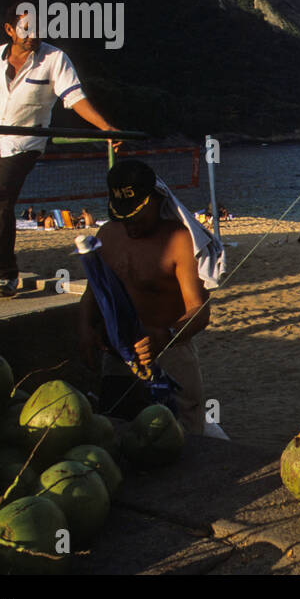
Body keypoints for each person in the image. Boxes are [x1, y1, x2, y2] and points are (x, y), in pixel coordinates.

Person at [0, 4, 115, 298]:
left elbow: (73, 98)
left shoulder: (54, 59)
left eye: (37, 28)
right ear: (10, 30)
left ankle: (3, 276)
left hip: (24, 143)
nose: (33, 34)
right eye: (25, 28)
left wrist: (106, 128)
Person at [79, 159, 211, 434]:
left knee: (185, 439)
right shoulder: (107, 235)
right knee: (121, 434)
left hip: (172, 355)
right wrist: (86, 328)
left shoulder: (179, 241)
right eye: (123, 218)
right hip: (118, 357)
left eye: (137, 216)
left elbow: (200, 309)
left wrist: (166, 334)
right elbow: (94, 290)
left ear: (155, 199)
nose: (130, 226)